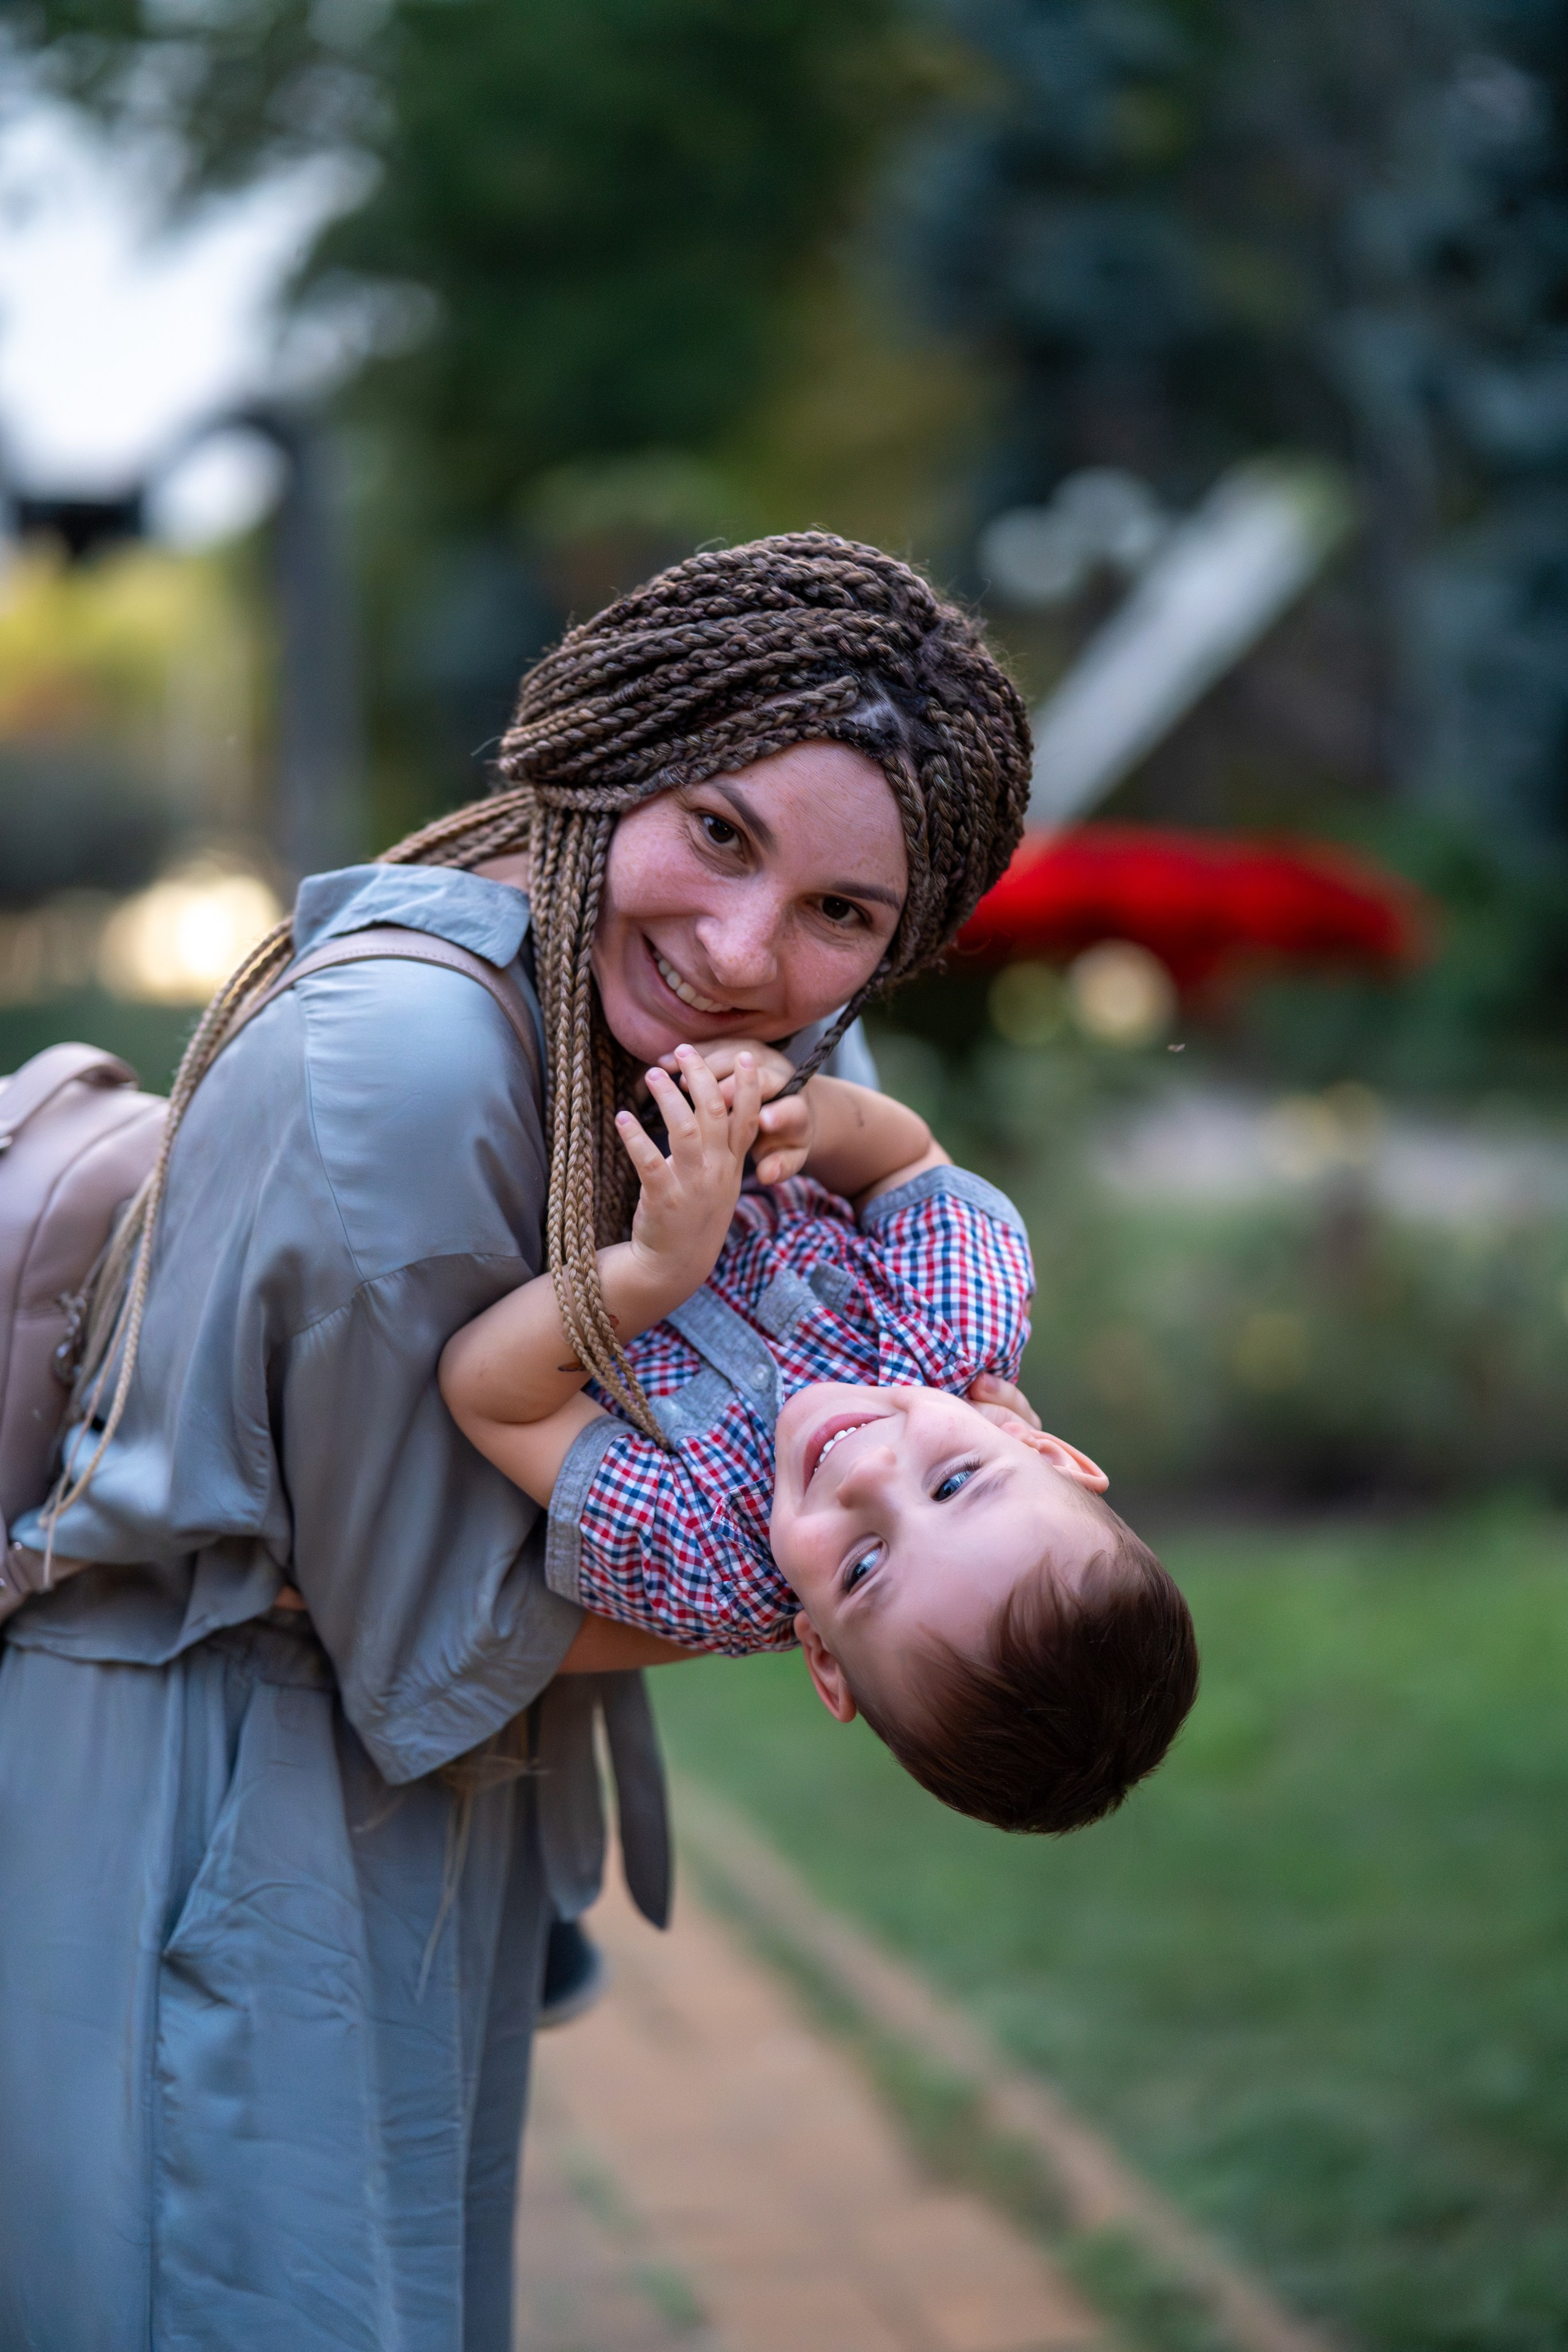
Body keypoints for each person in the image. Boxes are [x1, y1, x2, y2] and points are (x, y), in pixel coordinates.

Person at [0, 534, 1038, 2351]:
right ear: (607, 748)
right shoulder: (404, 1060)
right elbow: (421, 1632)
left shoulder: (686, 1015)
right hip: (225, 1793)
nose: (743, 954)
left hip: (394, 1800)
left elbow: (881, 1210)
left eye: (840, 915)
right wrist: (821, 1595)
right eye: (718, 833)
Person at [441, 1041, 1197, 1834]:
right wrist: (815, 1117)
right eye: (953, 1484)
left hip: (520, 1178)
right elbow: (904, 1160)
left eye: (864, 1567)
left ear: (824, 1657)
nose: (869, 1476)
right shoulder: (961, 1322)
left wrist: (656, 1272)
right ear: (1037, 1445)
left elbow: (493, 1396)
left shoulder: (710, 1560)